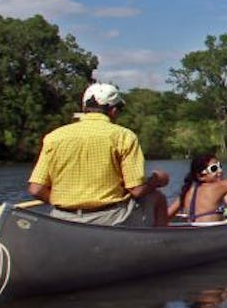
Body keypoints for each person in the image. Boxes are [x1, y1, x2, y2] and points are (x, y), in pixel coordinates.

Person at [27, 82, 170, 228]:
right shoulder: (124, 136)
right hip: (110, 218)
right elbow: (137, 190)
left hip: (63, 218)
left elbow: (36, 190)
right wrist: (156, 180)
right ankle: (161, 246)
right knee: (157, 198)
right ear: (113, 111)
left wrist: (64, 202)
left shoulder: (53, 137)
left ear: (84, 108)